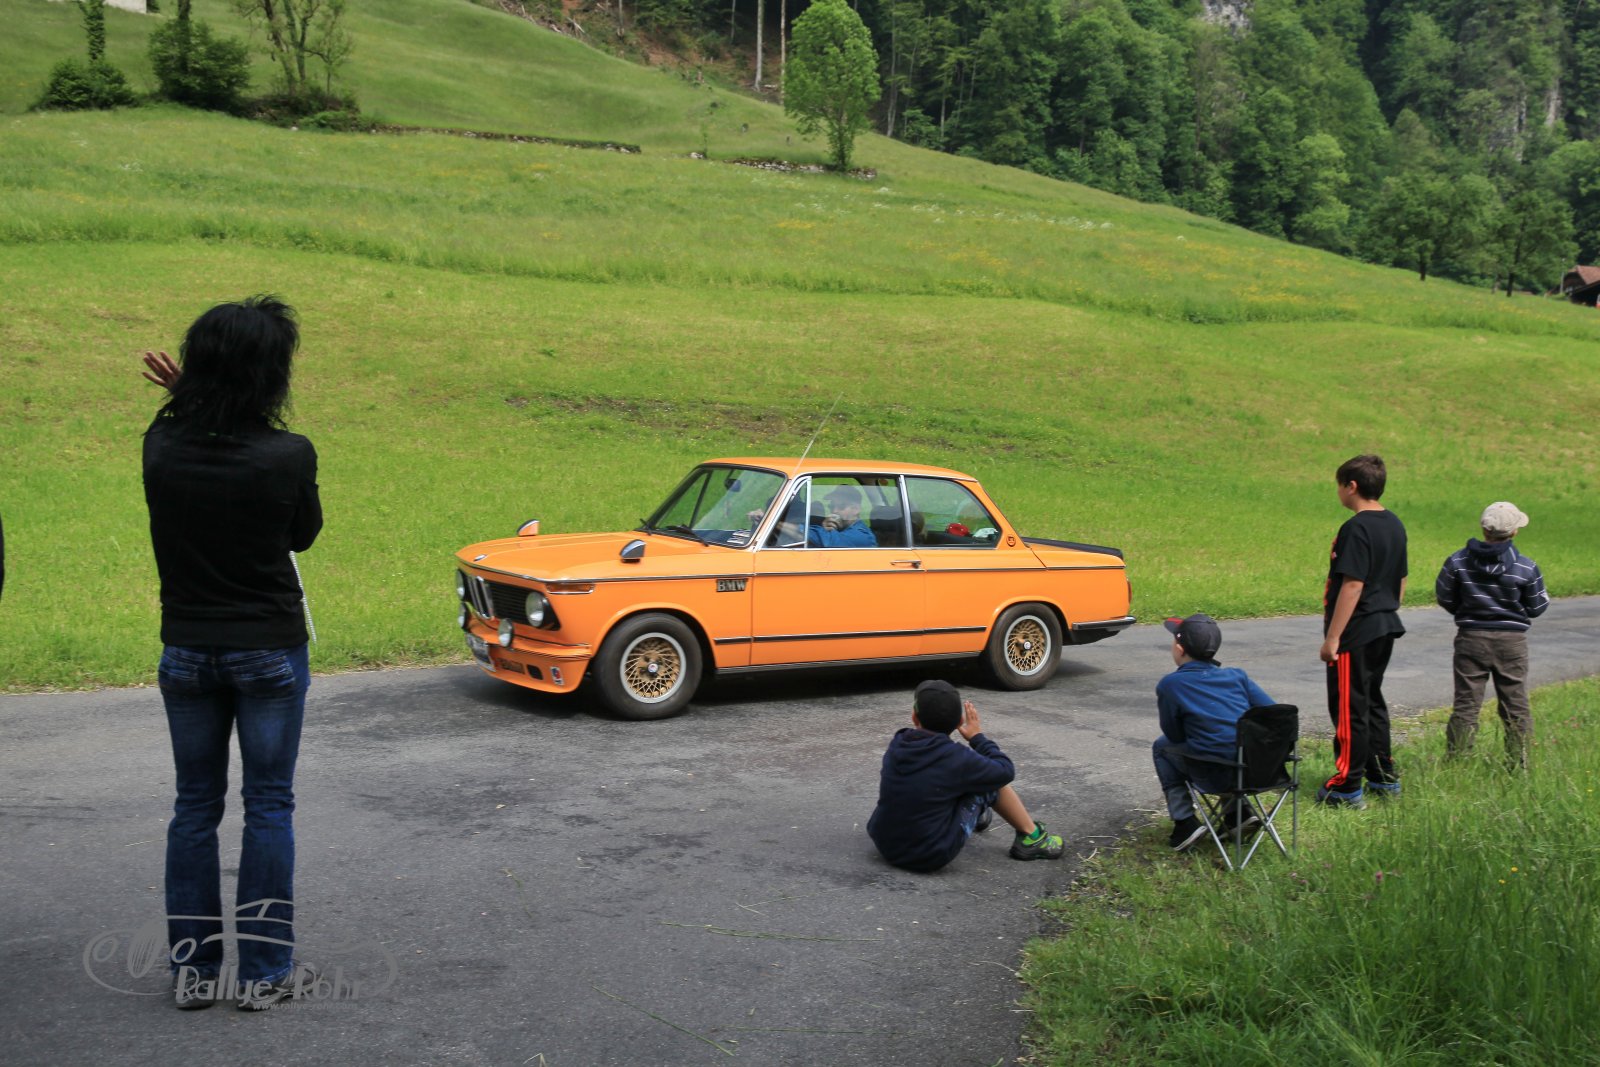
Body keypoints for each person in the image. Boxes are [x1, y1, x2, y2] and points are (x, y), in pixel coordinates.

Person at [142, 296, 322, 1011]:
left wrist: (188, 397)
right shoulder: (289, 453)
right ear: (269, 375)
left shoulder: (161, 444)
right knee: (268, 805)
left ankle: (193, 974)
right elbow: (302, 534)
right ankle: (264, 974)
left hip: (186, 649)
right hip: (269, 651)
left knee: (194, 807)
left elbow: (191, 431)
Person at [867, 679, 1065, 871]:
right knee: (991, 783)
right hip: (927, 854)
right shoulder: (958, 758)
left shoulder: (899, 742)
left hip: (885, 844)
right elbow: (1005, 770)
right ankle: (1032, 838)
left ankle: (973, 816)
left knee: (938, 781)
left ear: (913, 717)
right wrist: (978, 738)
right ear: (960, 722)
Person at [1318, 454, 1407, 808]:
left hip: (1356, 632)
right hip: (1385, 624)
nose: (1338, 491)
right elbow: (1401, 578)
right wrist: (1387, 608)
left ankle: (1346, 784)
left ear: (1351, 486)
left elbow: (1352, 585)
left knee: (1348, 706)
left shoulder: (1355, 528)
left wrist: (1333, 637)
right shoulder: (1394, 524)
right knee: (1372, 701)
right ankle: (1382, 776)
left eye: (1339, 485)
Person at [1435, 501, 1549, 769]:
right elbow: (1537, 607)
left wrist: (1465, 610)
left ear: (1484, 529)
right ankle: (1520, 764)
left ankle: (1458, 763)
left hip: (1470, 638)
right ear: (1514, 531)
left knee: (1466, 703)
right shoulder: (1526, 567)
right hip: (1512, 642)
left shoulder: (1457, 562)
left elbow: (1445, 596)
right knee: (1515, 704)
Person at [1153, 614, 1276, 851]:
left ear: (1179, 649)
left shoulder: (1171, 684)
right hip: (1258, 771)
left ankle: (1185, 822)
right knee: (1228, 745)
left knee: (1162, 747)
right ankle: (1237, 814)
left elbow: (1175, 736)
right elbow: (1273, 714)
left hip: (1212, 774)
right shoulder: (1237, 676)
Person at [806, 485, 876, 547]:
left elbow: (829, 542)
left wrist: (823, 530)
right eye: (831, 506)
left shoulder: (862, 536)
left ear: (855, 509)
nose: (834, 511)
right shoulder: (841, 528)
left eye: (841, 507)